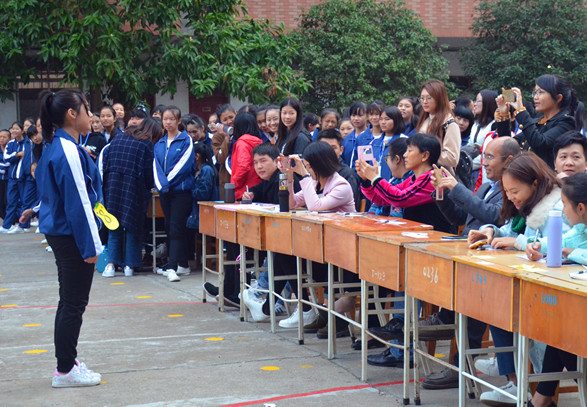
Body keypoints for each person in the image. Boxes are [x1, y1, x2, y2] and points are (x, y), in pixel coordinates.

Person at [417, 137, 522, 395]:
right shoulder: (486, 186)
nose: (483, 162)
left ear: (508, 160)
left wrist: (457, 187)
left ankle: (458, 358)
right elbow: (460, 217)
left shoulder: (512, 189)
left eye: (489, 157)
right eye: (483, 156)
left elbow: (495, 216)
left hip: (490, 261)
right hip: (469, 254)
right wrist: (442, 192)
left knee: (475, 302)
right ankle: (447, 325)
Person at [36, 89, 102, 387]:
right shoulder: (67, 150)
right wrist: (91, 246)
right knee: (74, 304)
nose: (92, 116)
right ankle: (65, 370)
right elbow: (79, 203)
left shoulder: (58, 146)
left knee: (69, 302)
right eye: (87, 110)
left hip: (59, 232)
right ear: (72, 114)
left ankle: (67, 363)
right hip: (70, 234)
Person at [525, 173, 587, 407]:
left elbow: (569, 249)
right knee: (558, 328)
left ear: (580, 208)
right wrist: (533, 245)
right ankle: (540, 400)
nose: (562, 212)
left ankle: (540, 400)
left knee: (563, 333)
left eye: (564, 205)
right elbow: (560, 242)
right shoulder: (581, 230)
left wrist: (573, 253)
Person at [278, 141, 356, 329]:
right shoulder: (314, 182)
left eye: (309, 166)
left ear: (320, 164)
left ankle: (326, 314)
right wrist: (289, 178)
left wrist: (304, 176)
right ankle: (312, 309)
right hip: (323, 247)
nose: (307, 170)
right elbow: (292, 204)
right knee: (283, 253)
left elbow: (315, 206)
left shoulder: (341, 185)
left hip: (343, 252)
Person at [241, 144, 301, 321]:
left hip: (296, 235)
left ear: (276, 161)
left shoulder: (283, 179)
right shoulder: (269, 180)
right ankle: (270, 301)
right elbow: (259, 190)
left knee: (282, 252)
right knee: (278, 250)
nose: (259, 166)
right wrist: (250, 194)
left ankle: (262, 292)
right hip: (281, 235)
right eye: (255, 162)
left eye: (263, 161)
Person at [357, 133, 453, 232]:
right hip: (417, 235)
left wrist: (375, 178)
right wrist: (366, 181)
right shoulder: (414, 178)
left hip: (436, 236)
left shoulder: (435, 177)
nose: (404, 155)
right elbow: (383, 199)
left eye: (409, 151)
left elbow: (399, 198)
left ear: (424, 155)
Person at [101, 118, 156, 278]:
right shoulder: (146, 143)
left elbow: (105, 161)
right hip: (134, 186)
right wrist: (151, 186)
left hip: (112, 184)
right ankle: (129, 266)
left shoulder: (118, 138)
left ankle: (111, 265)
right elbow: (148, 171)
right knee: (133, 227)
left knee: (114, 226)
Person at [495, 74, 577, 169]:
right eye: (535, 93)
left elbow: (539, 143)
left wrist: (520, 110)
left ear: (558, 98)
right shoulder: (537, 122)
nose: (535, 97)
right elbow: (508, 146)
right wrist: (504, 114)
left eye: (540, 92)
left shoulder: (566, 122)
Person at [153, 106, 196, 282]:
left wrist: (166, 183)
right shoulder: (159, 143)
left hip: (181, 191)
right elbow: (155, 166)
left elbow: (183, 165)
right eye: (165, 119)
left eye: (172, 119)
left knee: (176, 227)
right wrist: (161, 185)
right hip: (165, 191)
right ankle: (182, 264)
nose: (168, 122)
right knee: (170, 226)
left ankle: (172, 266)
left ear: (179, 121)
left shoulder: (186, 140)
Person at [416, 80, 461, 170]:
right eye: (422, 98)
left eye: (429, 98)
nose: (424, 101)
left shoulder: (449, 124)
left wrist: (425, 154)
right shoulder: (425, 120)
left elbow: (452, 158)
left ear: (439, 99)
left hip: (439, 173)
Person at [316, 129, 361, 211]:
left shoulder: (347, 175)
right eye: (324, 147)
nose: (328, 152)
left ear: (341, 150)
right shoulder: (315, 171)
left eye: (333, 148)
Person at [0, 122, 32, 233]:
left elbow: (28, 156)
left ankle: (24, 225)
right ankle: (7, 225)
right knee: (11, 202)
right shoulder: (11, 143)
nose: (14, 131)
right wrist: (18, 154)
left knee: (25, 201)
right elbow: (6, 158)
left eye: (17, 129)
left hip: (24, 177)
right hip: (12, 177)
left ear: (22, 131)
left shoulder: (28, 142)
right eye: (13, 129)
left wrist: (17, 155)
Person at [230, 112, 264, 200]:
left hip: (243, 191)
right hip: (258, 187)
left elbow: (243, 166)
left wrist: (234, 183)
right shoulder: (259, 142)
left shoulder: (242, 143)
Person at [211, 104, 237, 200]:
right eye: (225, 120)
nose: (229, 121)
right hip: (227, 177)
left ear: (236, 114)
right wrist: (226, 139)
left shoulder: (242, 130)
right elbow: (220, 159)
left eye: (231, 117)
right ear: (220, 123)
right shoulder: (217, 137)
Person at [467, 90, 498, 170]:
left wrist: (469, 165)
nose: (475, 104)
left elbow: (491, 153)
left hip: (484, 169)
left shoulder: (494, 125)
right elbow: (470, 145)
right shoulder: (476, 124)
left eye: (478, 101)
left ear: (487, 103)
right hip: (470, 168)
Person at [341, 101, 368, 166]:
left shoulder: (371, 138)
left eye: (360, 115)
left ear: (367, 116)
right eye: (353, 115)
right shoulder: (347, 139)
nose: (356, 118)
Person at [0, 128, 10, 220]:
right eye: (0, 137)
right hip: (0, 179)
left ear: (9, 138)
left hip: (9, 179)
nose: (2, 139)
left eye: (4, 137)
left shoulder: (11, 148)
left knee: (7, 200)